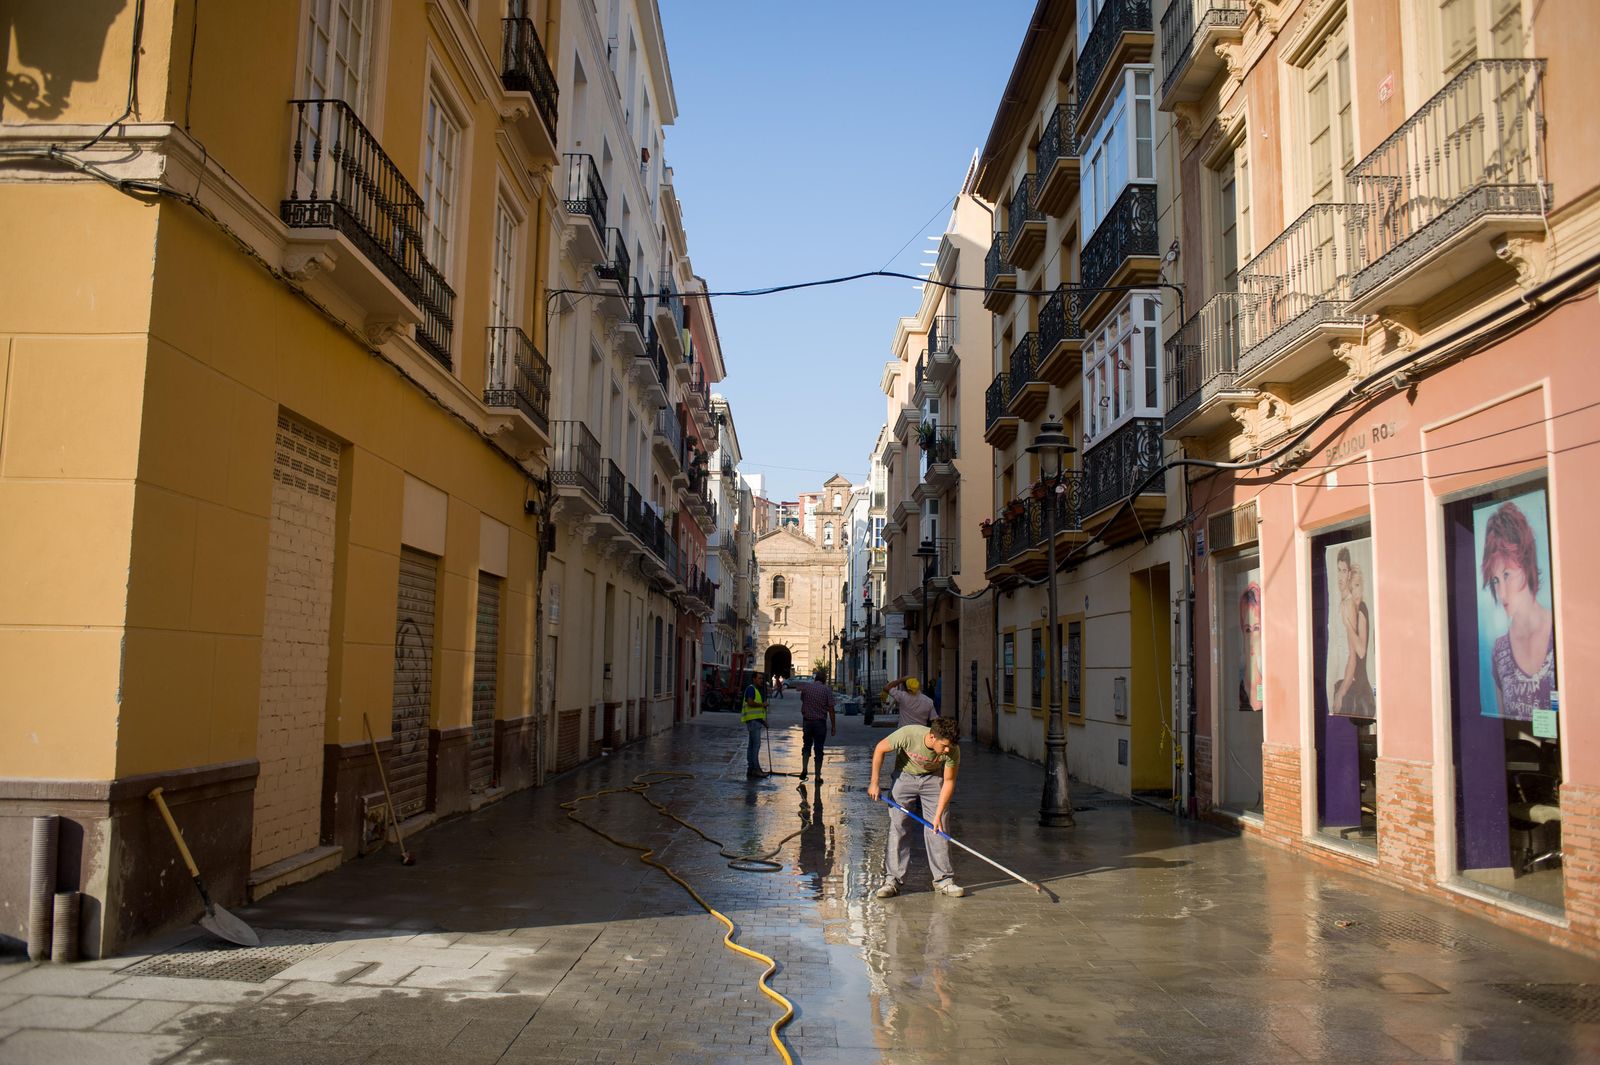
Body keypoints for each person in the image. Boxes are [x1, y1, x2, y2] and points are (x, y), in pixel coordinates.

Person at [867, 718, 965, 898]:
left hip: (933, 779)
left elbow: (949, 781)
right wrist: (874, 783)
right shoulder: (909, 734)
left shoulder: (953, 750)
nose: (946, 750)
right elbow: (880, 748)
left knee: (939, 826)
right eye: (943, 746)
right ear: (932, 737)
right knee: (898, 827)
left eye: (949, 747)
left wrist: (938, 814)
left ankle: (944, 880)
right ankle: (892, 881)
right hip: (904, 777)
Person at [1481, 499, 1555, 720]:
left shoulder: (1560, 633)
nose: (1502, 593)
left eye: (1507, 575)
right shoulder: (1500, 652)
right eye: (1495, 580)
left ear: (1526, 564)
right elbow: (1505, 729)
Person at [1331, 549, 1375, 718]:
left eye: (1358, 585)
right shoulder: (1351, 607)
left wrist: (1341, 693)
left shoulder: (1360, 609)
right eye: (1338, 570)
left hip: (1358, 683)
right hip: (1352, 681)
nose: (1355, 591)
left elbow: (1358, 653)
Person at [791, 667, 838, 781]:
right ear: (825, 680)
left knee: (806, 746)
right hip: (820, 723)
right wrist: (833, 726)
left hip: (807, 722)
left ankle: (804, 769)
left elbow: (803, 699)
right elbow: (831, 709)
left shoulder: (807, 688)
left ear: (815, 678)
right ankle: (817, 776)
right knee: (819, 749)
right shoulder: (826, 690)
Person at [741, 672, 768, 778]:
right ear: (754, 679)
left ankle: (751, 768)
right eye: (759, 678)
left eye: (762, 678)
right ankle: (756, 769)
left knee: (752, 746)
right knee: (755, 746)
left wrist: (763, 721)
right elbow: (750, 702)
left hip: (755, 721)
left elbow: (757, 710)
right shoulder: (751, 689)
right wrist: (763, 704)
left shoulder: (755, 690)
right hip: (753, 722)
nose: (761, 680)